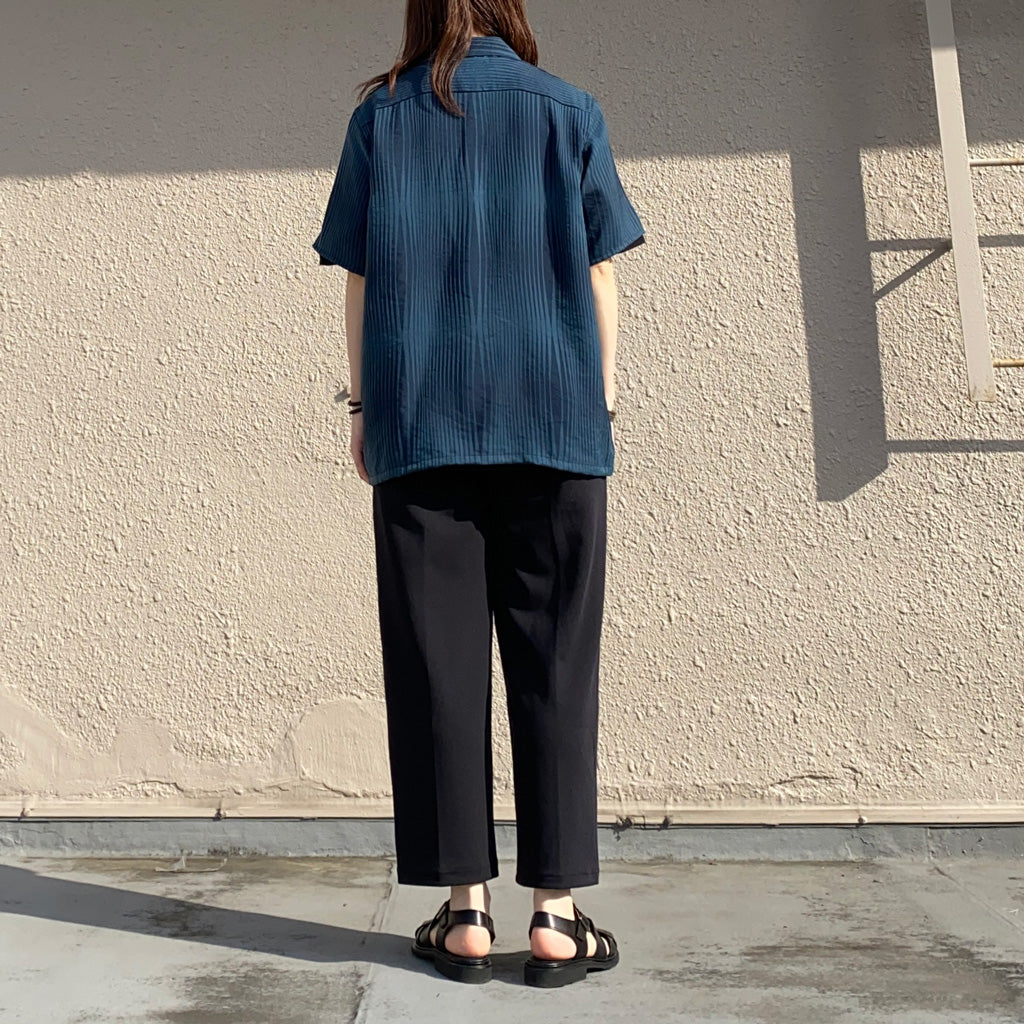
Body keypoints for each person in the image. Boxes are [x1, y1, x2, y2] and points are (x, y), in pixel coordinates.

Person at [313, 0, 645, 988]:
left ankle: (463, 909)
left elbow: (360, 279)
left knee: (437, 670)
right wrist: (601, 401)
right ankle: (556, 915)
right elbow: (599, 274)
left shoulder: (382, 119)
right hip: (554, 427)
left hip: (423, 428)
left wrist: (365, 407)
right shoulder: (568, 109)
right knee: (556, 664)